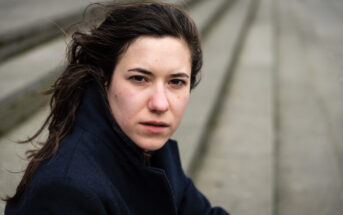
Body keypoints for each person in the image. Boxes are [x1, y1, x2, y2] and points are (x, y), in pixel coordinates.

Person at [4, 1, 229, 214]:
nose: (160, 104)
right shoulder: (67, 190)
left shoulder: (154, 152)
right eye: (140, 78)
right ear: (105, 79)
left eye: (176, 82)